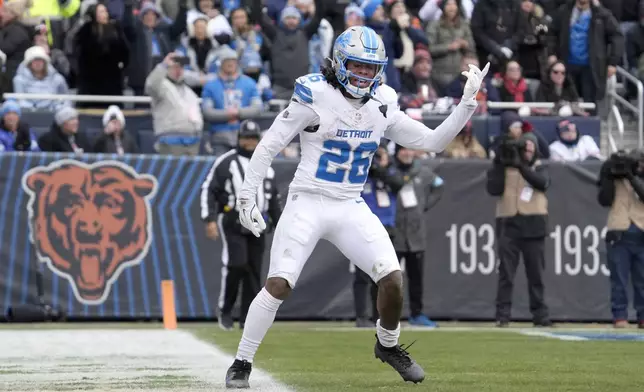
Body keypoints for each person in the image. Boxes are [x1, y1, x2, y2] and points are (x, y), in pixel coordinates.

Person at [224, 25, 489, 388]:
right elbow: (269, 145)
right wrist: (246, 194)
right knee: (280, 283)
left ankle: (388, 344)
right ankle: (242, 361)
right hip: (309, 200)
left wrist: (467, 103)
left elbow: (432, 142)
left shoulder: (382, 103)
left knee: (393, 280)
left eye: (370, 67)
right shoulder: (315, 94)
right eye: (357, 66)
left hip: (349, 203)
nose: (364, 74)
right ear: (340, 63)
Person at [200, 119, 282, 331]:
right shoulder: (227, 162)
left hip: (258, 222)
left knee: (254, 272)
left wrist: (280, 224)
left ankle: (247, 317)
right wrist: (209, 219)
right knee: (236, 264)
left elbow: (272, 198)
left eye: (253, 138)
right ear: (239, 139)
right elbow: (209, 189)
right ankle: (226, 310)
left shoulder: (266, 164)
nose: (249, 142)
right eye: (246, 138)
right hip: (233, 220)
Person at [486, 133, 552, 328]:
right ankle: (502, 315)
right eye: (525, 147)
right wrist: (499, 162)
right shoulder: (504, 167)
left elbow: (542, 183)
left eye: (532, 148)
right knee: (506, 273)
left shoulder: (540, 166)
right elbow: (493, 189)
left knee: (536, 274)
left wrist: (521, 166)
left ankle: (540, 314)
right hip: (508, 223)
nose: (528, 151)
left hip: (534, 224)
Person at [597, 150, 644, 329]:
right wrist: (608, 173)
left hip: (641, 233)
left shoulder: (638, 177)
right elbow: (604, 200)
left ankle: (642, 316)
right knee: (619, 280)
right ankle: (619, 315)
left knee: (642, 279)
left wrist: (631, 176)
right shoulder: (614, 177)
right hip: (619, 231)